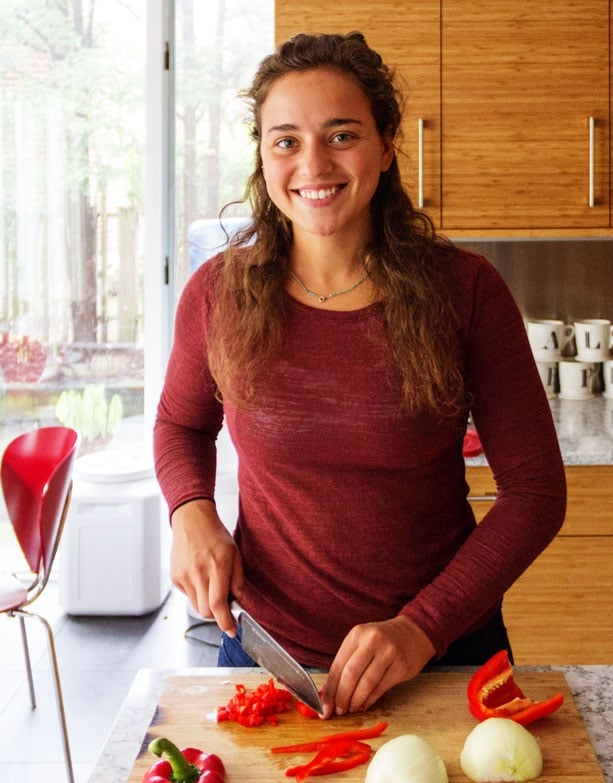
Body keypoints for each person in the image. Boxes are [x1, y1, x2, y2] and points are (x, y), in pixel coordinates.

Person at [154, 31, 567, 719]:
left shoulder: (465, 290)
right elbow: (180, 422)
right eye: (285, 140)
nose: (312, 163)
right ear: (263, 155)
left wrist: (422, 626)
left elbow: (536, 492)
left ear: (387, 145)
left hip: (443, 660)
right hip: (268, 663)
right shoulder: (215, 295)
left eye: (341, 134)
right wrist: (190, 508)